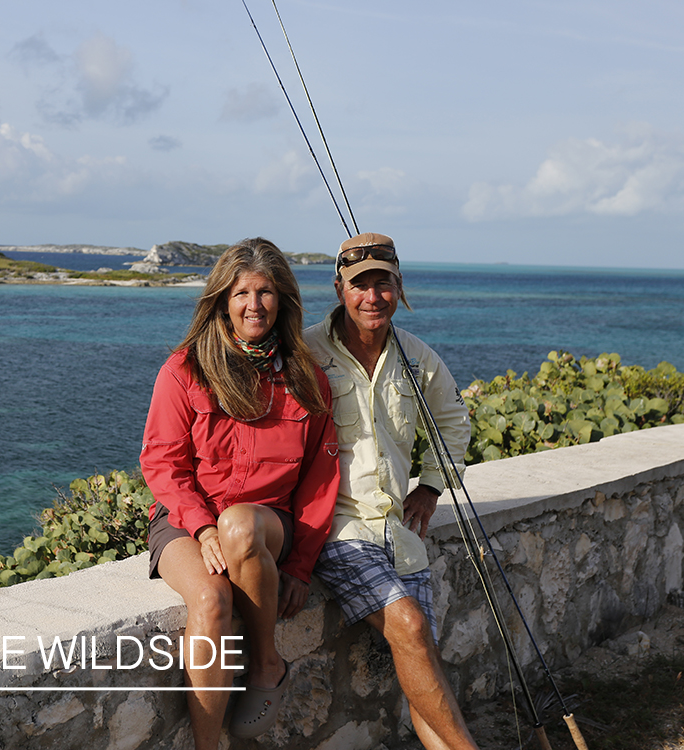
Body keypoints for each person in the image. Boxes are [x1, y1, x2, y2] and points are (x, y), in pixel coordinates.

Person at [140, 237, 340, 749]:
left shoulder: (307, 379)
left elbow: (320, 482)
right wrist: (201, 524)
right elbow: (162, 461)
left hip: (266, 524)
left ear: (284, 299)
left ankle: (267, 662)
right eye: (242, 292)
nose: (255, 305)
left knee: (241, 524)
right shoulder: (184, 370)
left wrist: (298, 567)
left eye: (266, 291)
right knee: (209, 599)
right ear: (223, 301)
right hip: (186, 519)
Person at [303, 232, 478, 750]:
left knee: (422, 653)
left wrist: (431, 487)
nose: (372, 297)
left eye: (384, 284)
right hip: (335, 525)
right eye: (360, 285)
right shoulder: (306, 350)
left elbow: (453, 424)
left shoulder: (420, 358)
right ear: (339, 289)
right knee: (408, 623)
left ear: (400, 289)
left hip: (399, 534)